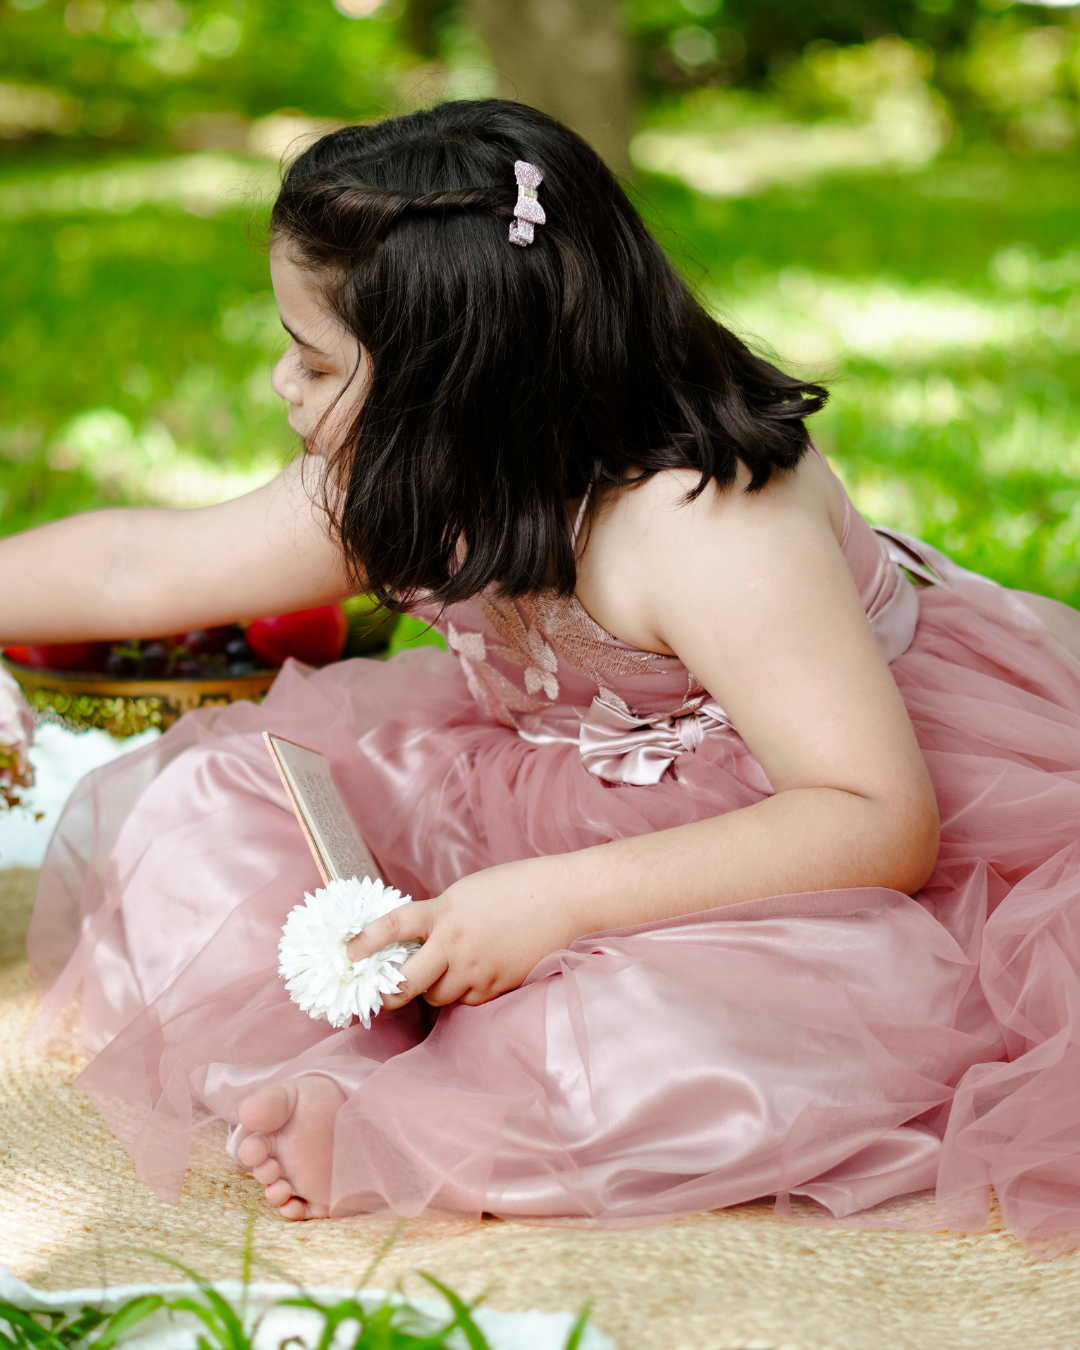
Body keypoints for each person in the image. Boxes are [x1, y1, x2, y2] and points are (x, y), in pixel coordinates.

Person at [6, 99, 1080, 1249]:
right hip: (530, 792)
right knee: (204, 809)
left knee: (675, 1038)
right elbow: (144, 565)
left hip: (789, 846)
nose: (282, 385)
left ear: (456, 385)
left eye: (315, 360)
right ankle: (348, 1051)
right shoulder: (421, 469)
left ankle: (426, 1111)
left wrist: (552, 905)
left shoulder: (701, 520)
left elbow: (876, 821)